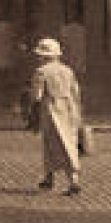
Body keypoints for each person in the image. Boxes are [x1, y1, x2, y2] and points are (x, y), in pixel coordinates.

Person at [29, 37, 83, 195]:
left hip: (51, 109)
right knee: (69, 142)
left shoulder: (41, 72)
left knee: (50, 143)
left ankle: (56, 178)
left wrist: (33, 111)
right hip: (69, 108)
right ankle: (65, 178)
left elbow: (37, 96)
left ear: (44, 56)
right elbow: (76, 92)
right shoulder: (68, 70)